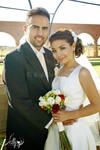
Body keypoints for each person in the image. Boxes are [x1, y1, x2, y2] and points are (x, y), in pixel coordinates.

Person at [3, 7, 57, 150]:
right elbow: (19, 101)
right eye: (35, 28)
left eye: (45, 28)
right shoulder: (13, 58)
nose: (40, 33)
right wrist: (53, 120)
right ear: (26, 28)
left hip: (51, 135)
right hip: (24, 136)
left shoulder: (52, 56)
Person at [44, 29, 100, 150]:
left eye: (62, 48)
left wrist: (69, 115)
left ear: (73, 46)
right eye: (54, 50)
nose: (58, 54)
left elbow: (97, 105)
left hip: (75, 129)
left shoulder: (82, 72)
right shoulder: (59, 70)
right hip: (56, 128)